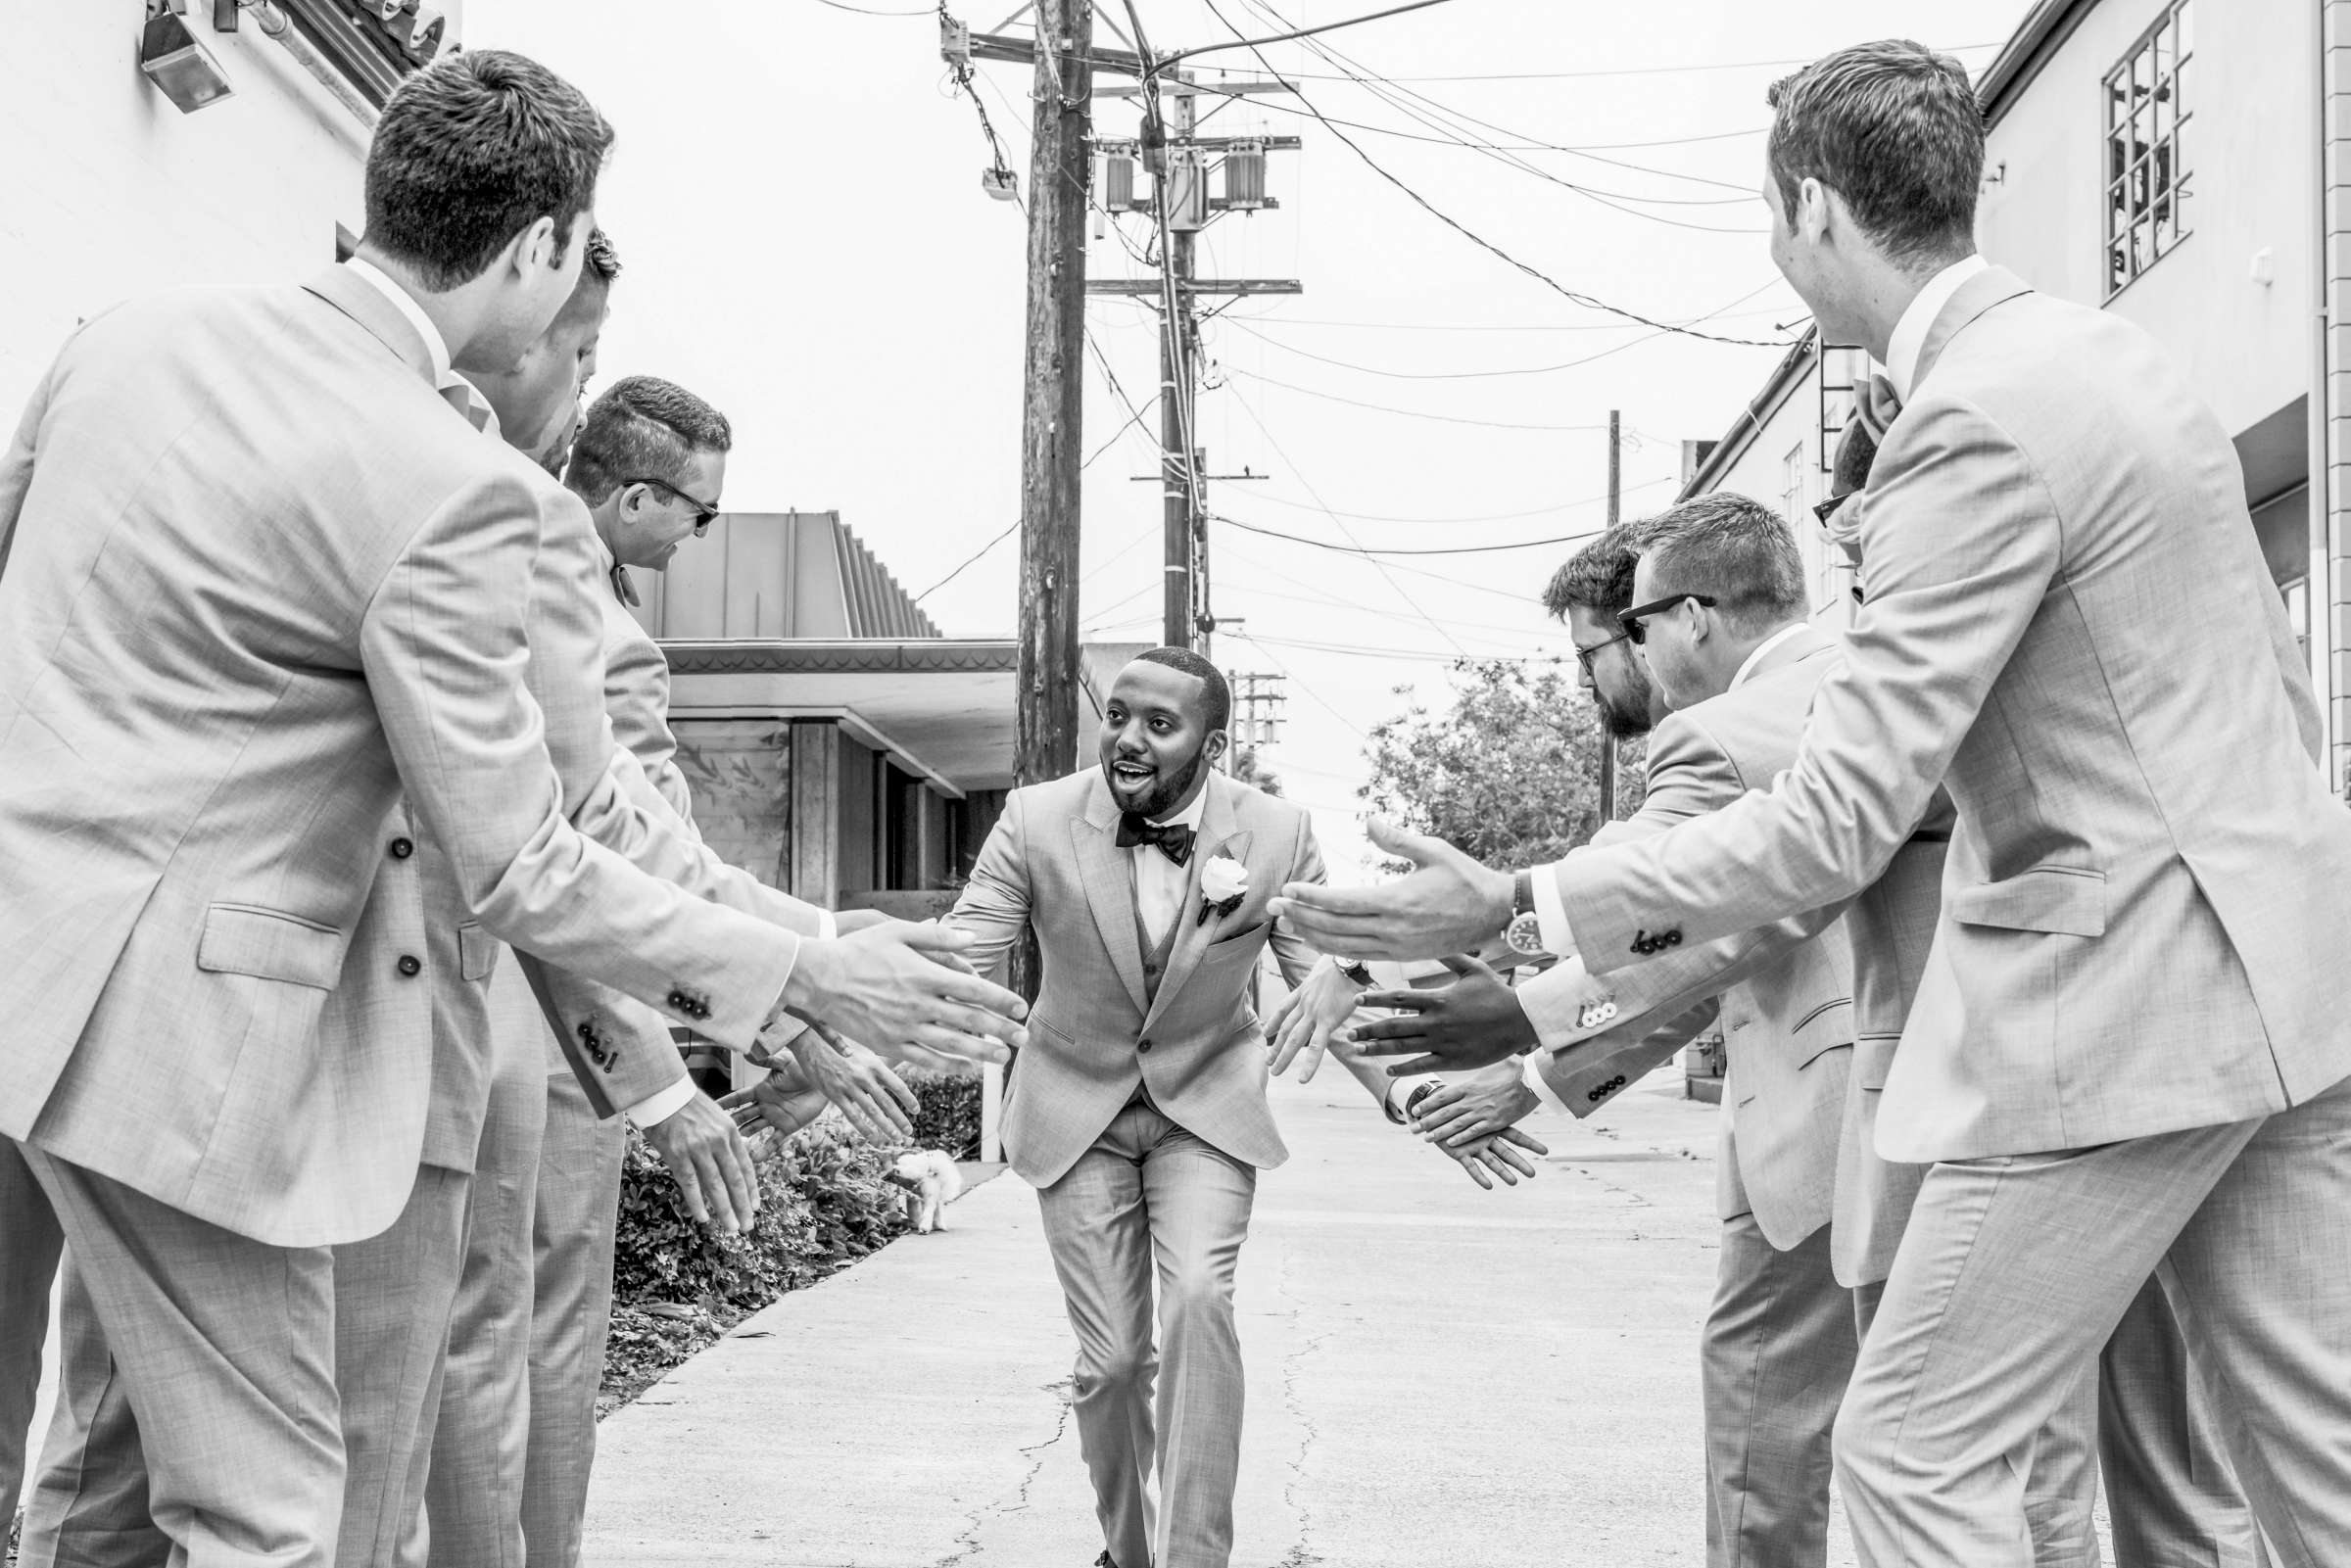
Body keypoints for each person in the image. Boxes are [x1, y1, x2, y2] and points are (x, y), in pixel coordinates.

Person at [1271, 40, 2351, 1564]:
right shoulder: (2113, 360)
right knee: (2302, 1472)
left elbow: (1836, 820)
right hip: (2293, 974)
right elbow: (2271, 705)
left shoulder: (1959, 426)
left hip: (2116, 1013)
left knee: (1911, 1453)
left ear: (1819, 211)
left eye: (1773, 220)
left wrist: (1518, 906)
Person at [0, 47, 1027, 1566]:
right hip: (202, 1059)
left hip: (36, 986)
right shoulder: (447, 476)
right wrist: (808, 968)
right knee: (270, 1517)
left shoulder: (122, 343)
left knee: (95, 1498)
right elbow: (523, 858)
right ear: (543, 248)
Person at [948, 649, 1332, 1568]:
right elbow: (962, 952)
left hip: (1205, 1106)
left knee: (1200, 1297)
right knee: (1114, 1363)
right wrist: (836, 1043)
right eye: (1118, 714)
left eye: (1159, 725)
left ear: (1212, 741)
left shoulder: (1277, 832)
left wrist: (1407, 1086)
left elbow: (1322, 979)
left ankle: (1195, 1557)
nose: (1127, 738)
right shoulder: (1037, 818)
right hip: (1073, 1109)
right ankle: (1127, 1550)